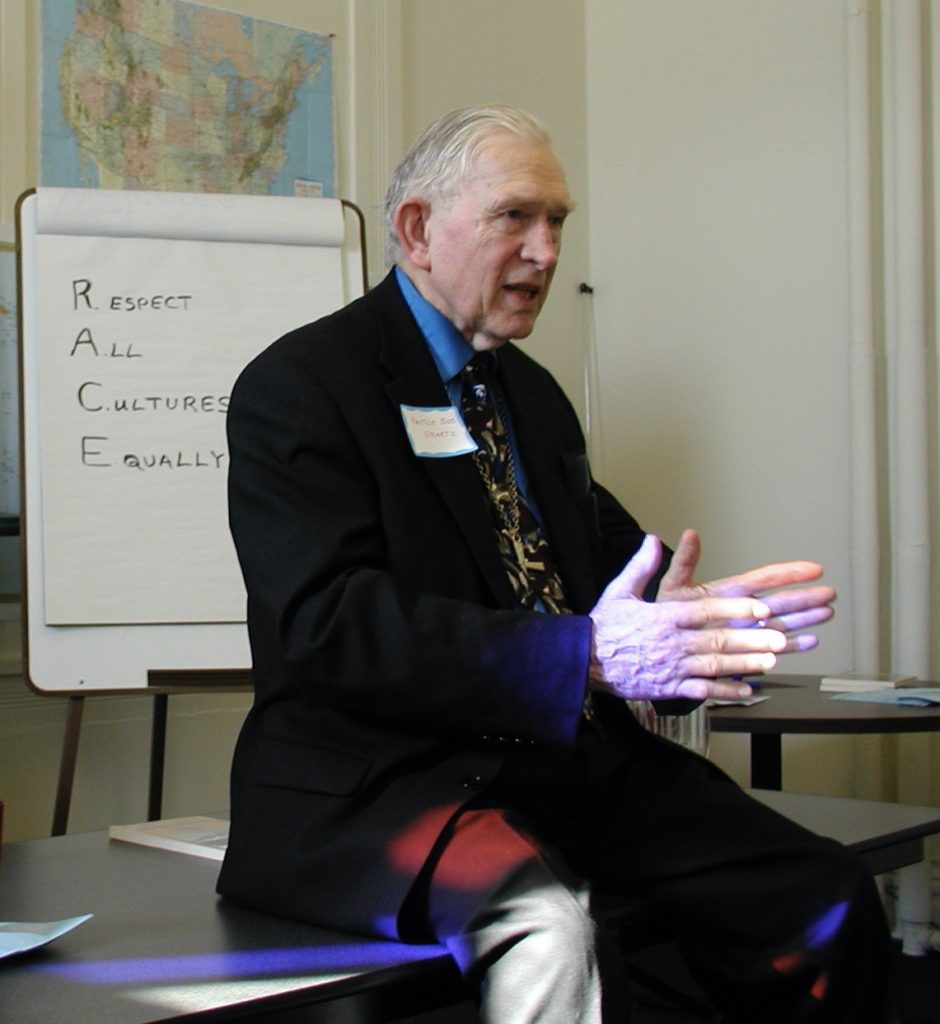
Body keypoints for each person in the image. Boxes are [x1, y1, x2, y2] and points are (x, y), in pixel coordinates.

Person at [217, 105, 895, 1022]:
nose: (545, 250)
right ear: (417, 229)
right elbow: (328, 624)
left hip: (566, 767)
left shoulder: (527, 394)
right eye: (515, 217)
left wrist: (697, 629)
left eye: (558, 222)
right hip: (387, 784)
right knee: (548, 933)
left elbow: (615, 572)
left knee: (824, 891)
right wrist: (593, 658)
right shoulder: (302, 387)